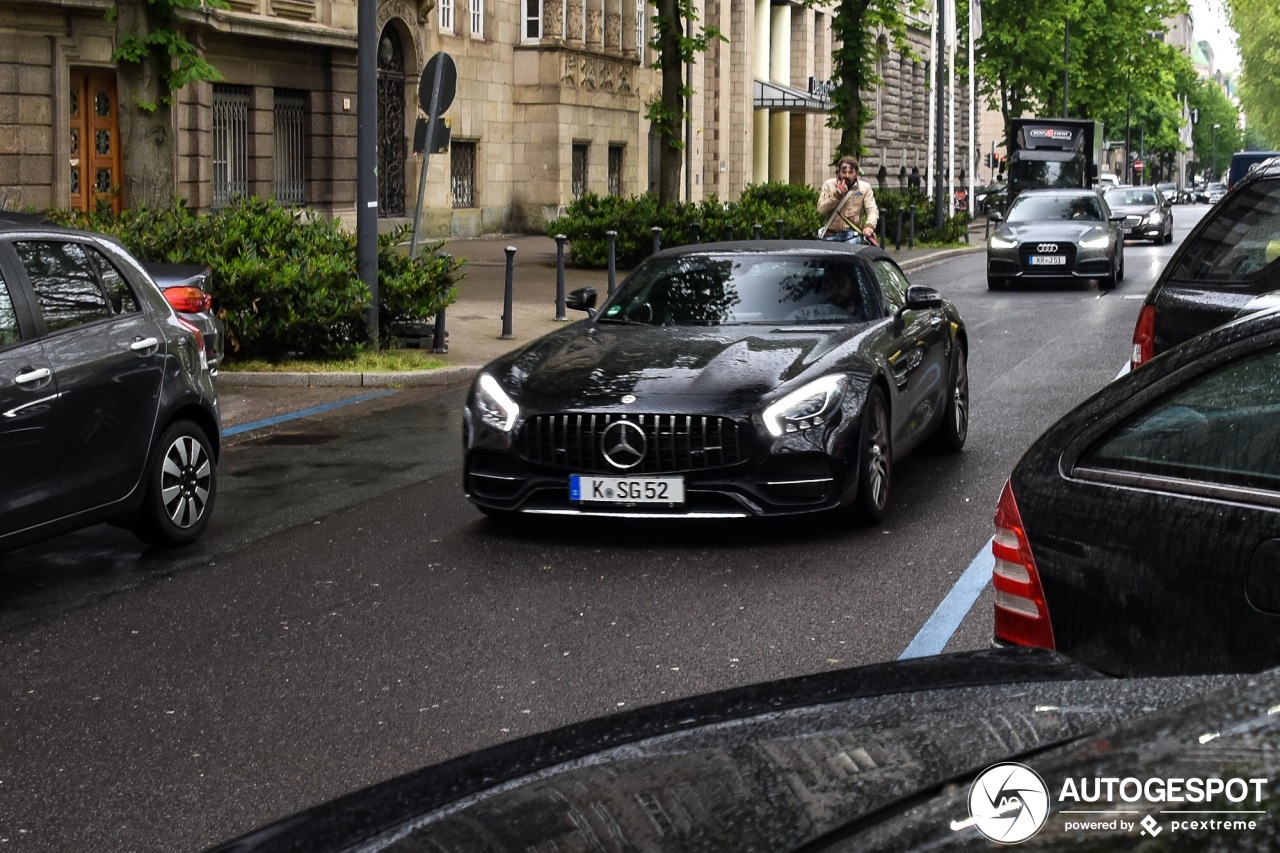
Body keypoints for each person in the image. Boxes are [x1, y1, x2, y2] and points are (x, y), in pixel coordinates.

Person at [818, 157, 879, 243]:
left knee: (850, 250)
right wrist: (837, 195)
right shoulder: (829, 185)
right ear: (838, 172)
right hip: (830, 233)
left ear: (856, 173)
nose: (847, 175)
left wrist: (870, 226)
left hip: (851, 233)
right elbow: (821, 209)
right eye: (843, 172)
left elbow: (872, 209)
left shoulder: (864, 188)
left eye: (850, 172)